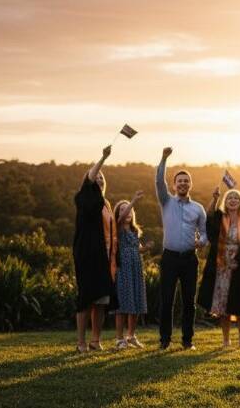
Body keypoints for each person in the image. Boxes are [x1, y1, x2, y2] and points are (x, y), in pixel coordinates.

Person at [156, 146, 207, 350]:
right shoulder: (166, 201)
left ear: (190, 185)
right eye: (180, 181)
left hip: (189, 260)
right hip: (169, 258)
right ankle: (165, 340)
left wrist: (201, 241)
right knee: (167, 300)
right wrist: (164, 158)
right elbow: (159, 181)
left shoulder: (198, 209)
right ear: (175, 185)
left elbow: (204, 233)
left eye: (186, 181)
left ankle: (187, 341)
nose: (183, 183)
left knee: (188, 302)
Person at [197, 188, 240, 348]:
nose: (232, 200)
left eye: (236, 198)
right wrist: (214, 198)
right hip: (221, 267)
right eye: (229, 197)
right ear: (226, 201)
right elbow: (208, 217)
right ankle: (226, 340)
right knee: (223, 305)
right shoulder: (220, 218)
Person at [72, 145, 118, 353]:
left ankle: (95, 340)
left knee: (102, 300)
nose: (99, 180)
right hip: (88, 256)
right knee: (86, 298)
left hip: (106, 259)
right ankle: (81, 342)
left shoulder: (106, 204)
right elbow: (90, 179)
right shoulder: (83, 198)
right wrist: (103, 158)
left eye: (102, 179)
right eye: (96, 178)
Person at [112, 190, 149, 350]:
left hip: (135, 269)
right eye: (122, 209)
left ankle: (131, 336)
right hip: (123, 270)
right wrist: (132, 200)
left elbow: (137, 249)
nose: (126, 212)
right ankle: (119, 339)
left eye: (128, 210)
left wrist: (145, 248)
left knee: (135, 303)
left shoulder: (134, 231)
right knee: (122, 305)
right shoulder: (118, 228)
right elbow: (119, 218)